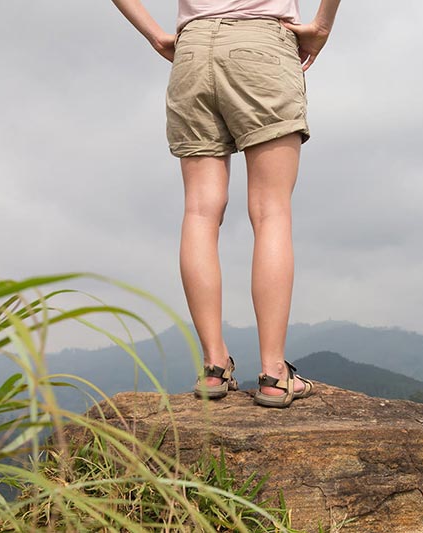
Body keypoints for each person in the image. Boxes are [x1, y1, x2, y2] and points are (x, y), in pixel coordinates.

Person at [111, 0, 341, 407]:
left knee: (200, 211)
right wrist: (321, 25)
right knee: (271, 211)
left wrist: (154, 33)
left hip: (193, 49)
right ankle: (273, 373)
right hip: (264, 44)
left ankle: (214, 368)